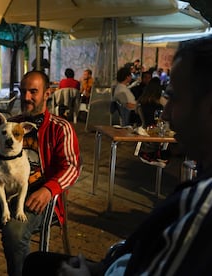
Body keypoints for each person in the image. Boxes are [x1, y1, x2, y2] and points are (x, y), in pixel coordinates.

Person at [23, 35, 212, 276]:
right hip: (116, 263)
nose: (165, 115)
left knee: (33, 260)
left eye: (174, 98)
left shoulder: (205, 204)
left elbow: (73, 166)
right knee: (36, 261)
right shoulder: (199, 188)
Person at [0, 70, 81, 276]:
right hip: (6, 188)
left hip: (40, 197)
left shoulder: (60, 127)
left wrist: (49, 189)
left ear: (47, 93)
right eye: (23, 91)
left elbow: (72, 167)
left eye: (33, 91)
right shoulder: (12, 124)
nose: (26, 97)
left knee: (13, 231)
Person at [136, 77, 169, 168]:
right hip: (157, 130)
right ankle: (159, 154)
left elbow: (136, 112)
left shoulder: (141, 100)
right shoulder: (161, 100)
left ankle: (156, 154)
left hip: (144, 128)